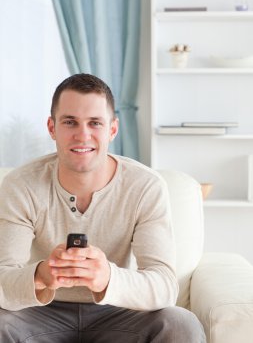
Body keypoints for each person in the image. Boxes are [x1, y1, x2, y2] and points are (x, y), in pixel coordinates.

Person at [0, 73, 206, 342]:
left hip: (118, 312)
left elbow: (164, 285)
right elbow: (3, 276)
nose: (82, 135)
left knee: (180, 324)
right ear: (52, 128)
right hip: (38, 314)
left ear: (112, 129)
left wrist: (107, 277)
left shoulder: (145, 186)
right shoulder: (21, 185)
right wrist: (41, 275)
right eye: (70, 122)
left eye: (95, 123)